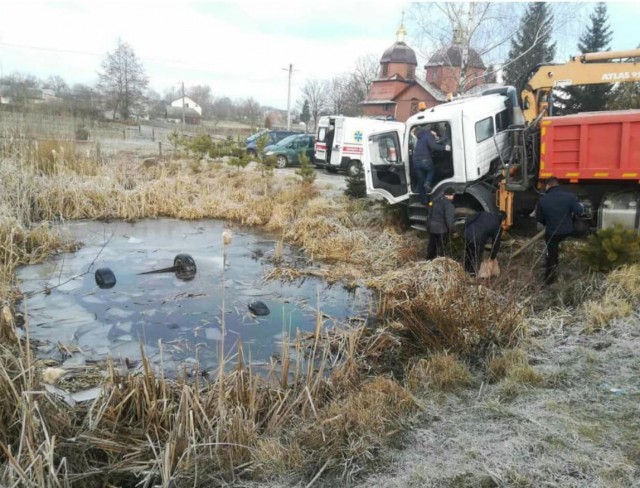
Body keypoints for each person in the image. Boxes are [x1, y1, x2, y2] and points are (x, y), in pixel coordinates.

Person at [536, 177, 584, 283]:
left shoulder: (543, 200)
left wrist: (548, 223)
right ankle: (555, 262)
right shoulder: (570, 196)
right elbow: (579, 211)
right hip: (567, 231)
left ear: (548, 186)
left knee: (551, 253)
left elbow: (539, 218)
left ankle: (548, 280)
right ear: (557, 185)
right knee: (554, 248)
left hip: (552, 233)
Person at [412, 127, 450, 204]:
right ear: (433, 131)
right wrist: (445, 147)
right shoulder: (429, 135)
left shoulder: (420, 136)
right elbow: (433, 146)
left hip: (415, 161)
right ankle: (428, 182)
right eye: (436, 133)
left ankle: (424, 201)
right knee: (431, 170)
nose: (436, 135)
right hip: (424, 160)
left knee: (420, 181)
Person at [464, 211, 505, 276]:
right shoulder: (497, 226)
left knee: (468, 253)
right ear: (502, 220)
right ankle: (472, 274)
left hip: (467, 234)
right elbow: (495, 244)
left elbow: (470, 220)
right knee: (474, 256)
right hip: (477, 240)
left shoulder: (483, 213)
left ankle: (466, 269)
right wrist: (492, 257)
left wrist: (465, 230)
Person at [426, 187, 456, 260]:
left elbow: (429, 213)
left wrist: (428, 225)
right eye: (453, 195)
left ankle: (429, 261)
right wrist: (453, 231)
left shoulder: (435, 200)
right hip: (442, 230)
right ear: (451, 195)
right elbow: (449, 220)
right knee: (442, 248)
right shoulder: (449, 205)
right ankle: (440, 262)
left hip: (432, 228)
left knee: (432, 246)